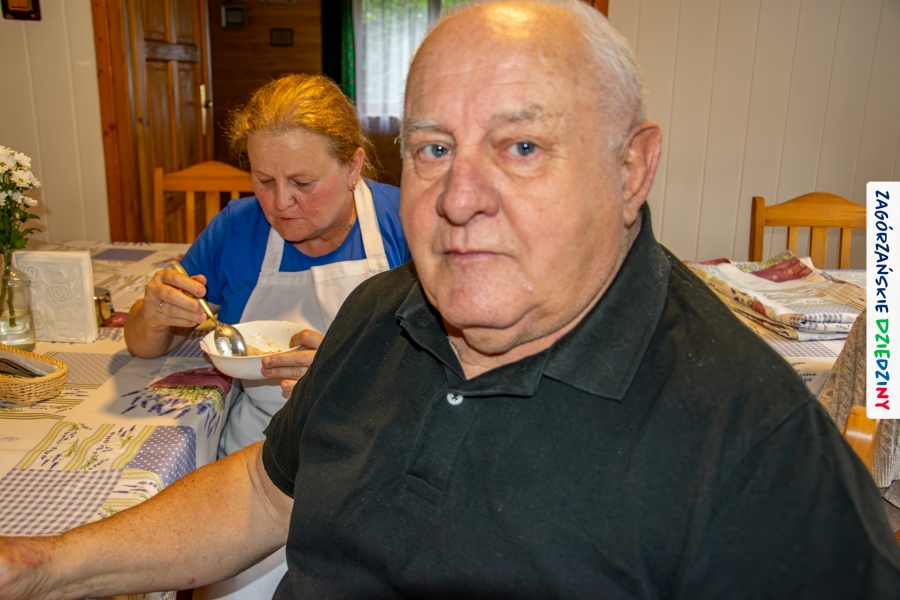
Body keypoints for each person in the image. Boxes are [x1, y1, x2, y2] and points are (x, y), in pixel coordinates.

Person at [2, 1, 900, 598]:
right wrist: (41, 564)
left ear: (631, 168)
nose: (459, 199)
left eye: (521, 147)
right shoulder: (378, 312)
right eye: (434, 148)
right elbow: (265, 495)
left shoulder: (757, 444)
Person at [124, 74, 411, 457]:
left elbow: (452, 370)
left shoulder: (407, 223)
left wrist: (346, 376)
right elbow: (144, 344)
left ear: (353, 166)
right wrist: (154, 317)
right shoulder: (238, 229)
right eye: (264, 180)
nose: (280, 202)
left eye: (302, 182)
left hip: (374, 445)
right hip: (257, 447)